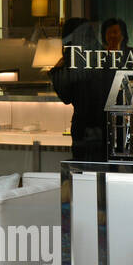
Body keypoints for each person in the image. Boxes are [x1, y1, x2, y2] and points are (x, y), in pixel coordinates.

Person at [49, 17, 114, 161]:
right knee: (105, 171)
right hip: (106, 125)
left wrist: (55, 71)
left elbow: (66, 97)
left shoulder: (72, 61)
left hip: (83, 125)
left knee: (83, 174)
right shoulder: (104, 56)